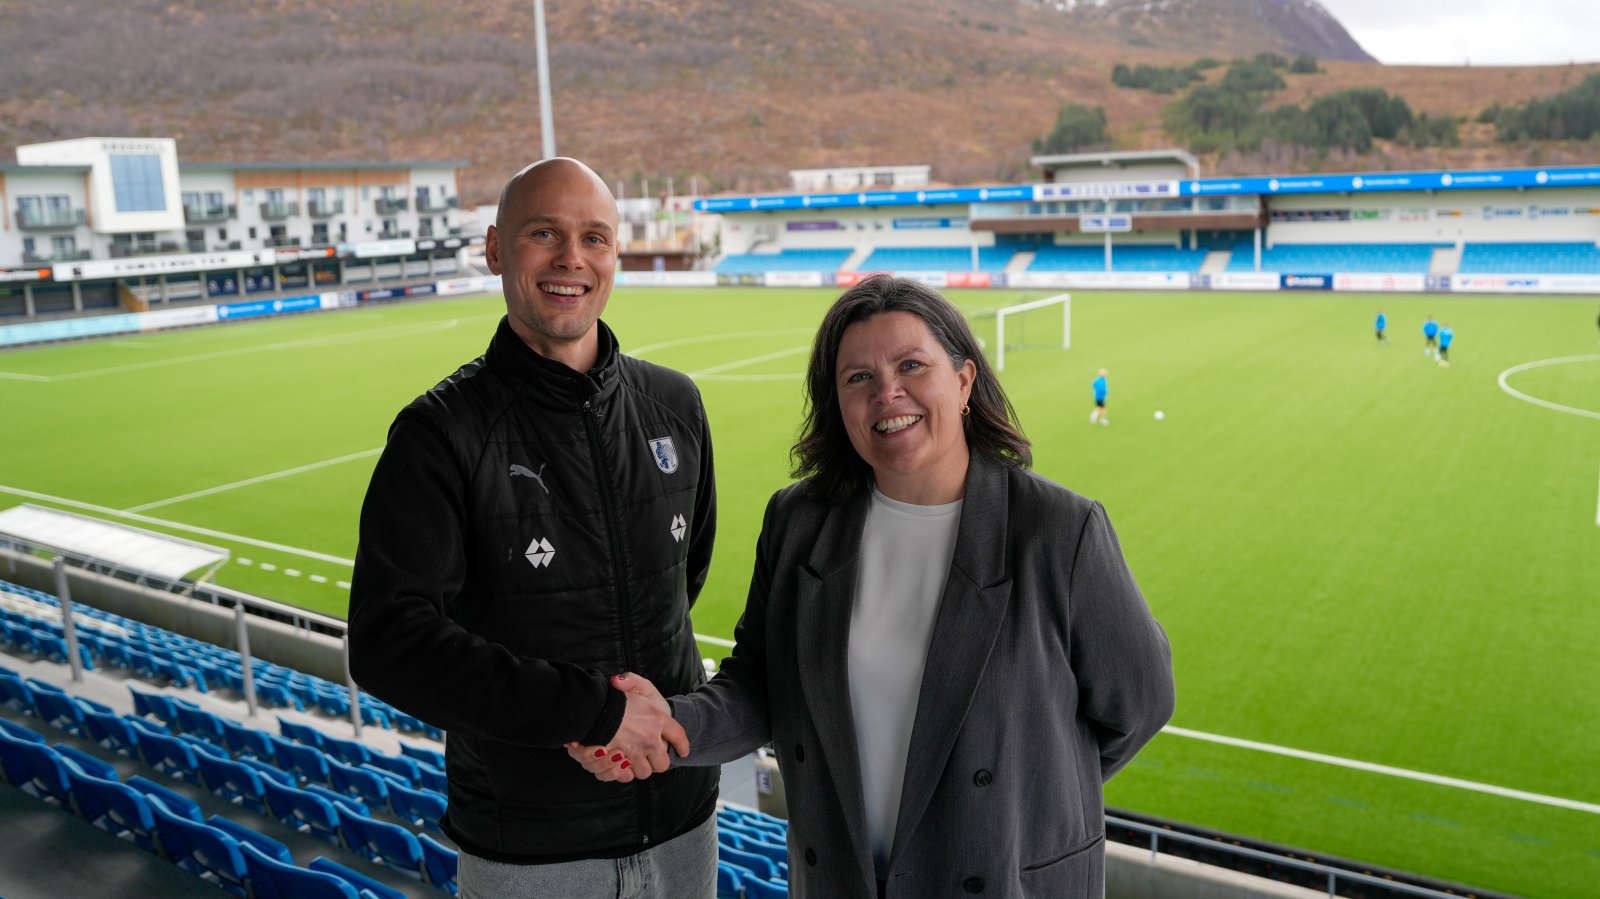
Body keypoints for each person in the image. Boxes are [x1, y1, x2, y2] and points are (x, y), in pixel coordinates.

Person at [571, 275, 1175, 898]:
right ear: (837, 403)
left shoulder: (1058, 531)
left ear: (964, 381)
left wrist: (1024, 803)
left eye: (912, 365)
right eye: (858, 377)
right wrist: (667, 726)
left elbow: (1143, 703)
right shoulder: (799, 522)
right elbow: (759, 686)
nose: (887, 393)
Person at [347, 157, 719, 898]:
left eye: (594, 237)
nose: (571, 258)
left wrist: (635, 727)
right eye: (543, 233)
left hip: (683, 819)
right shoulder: (440, 434)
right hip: (531, 852)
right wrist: (594, 714)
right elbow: (390, 642)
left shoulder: (675, 405)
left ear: (615, 255)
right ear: (495, 249)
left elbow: (680, 586)